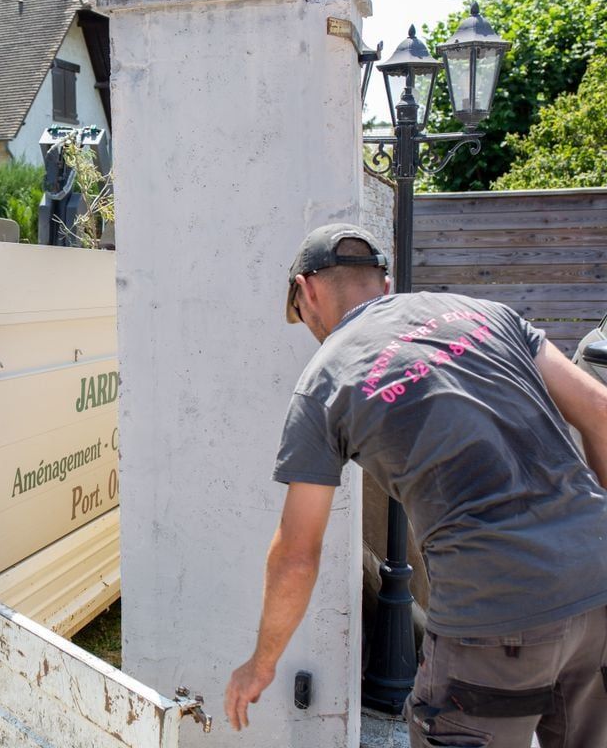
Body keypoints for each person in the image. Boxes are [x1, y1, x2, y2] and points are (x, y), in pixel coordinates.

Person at [224, 223, 607, 747]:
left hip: (492, 616)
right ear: (384, 285)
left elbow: (296, 554)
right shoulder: (488, 314)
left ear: (307, 291)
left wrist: (261, 664)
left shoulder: (326, 380)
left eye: (300, 313)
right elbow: (600, 411)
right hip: (598, 584)